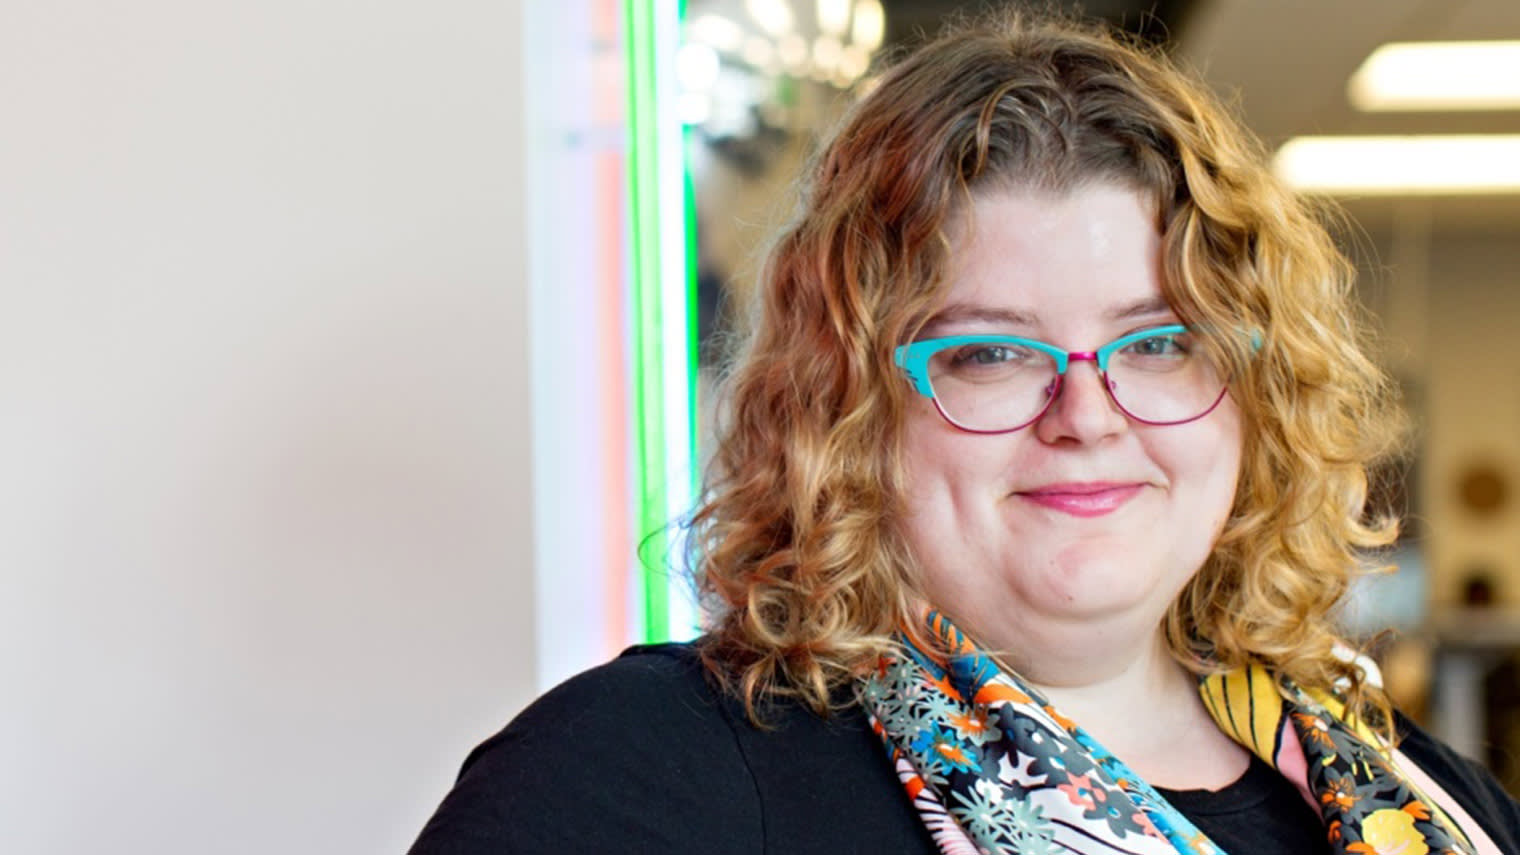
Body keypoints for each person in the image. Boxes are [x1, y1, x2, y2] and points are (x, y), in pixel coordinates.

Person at [409, 11, 1520, 854]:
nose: (1085, 417)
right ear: (845, 407)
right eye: (988, 353)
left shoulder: (1414, 794)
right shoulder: (641, 780)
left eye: (1153, 344)